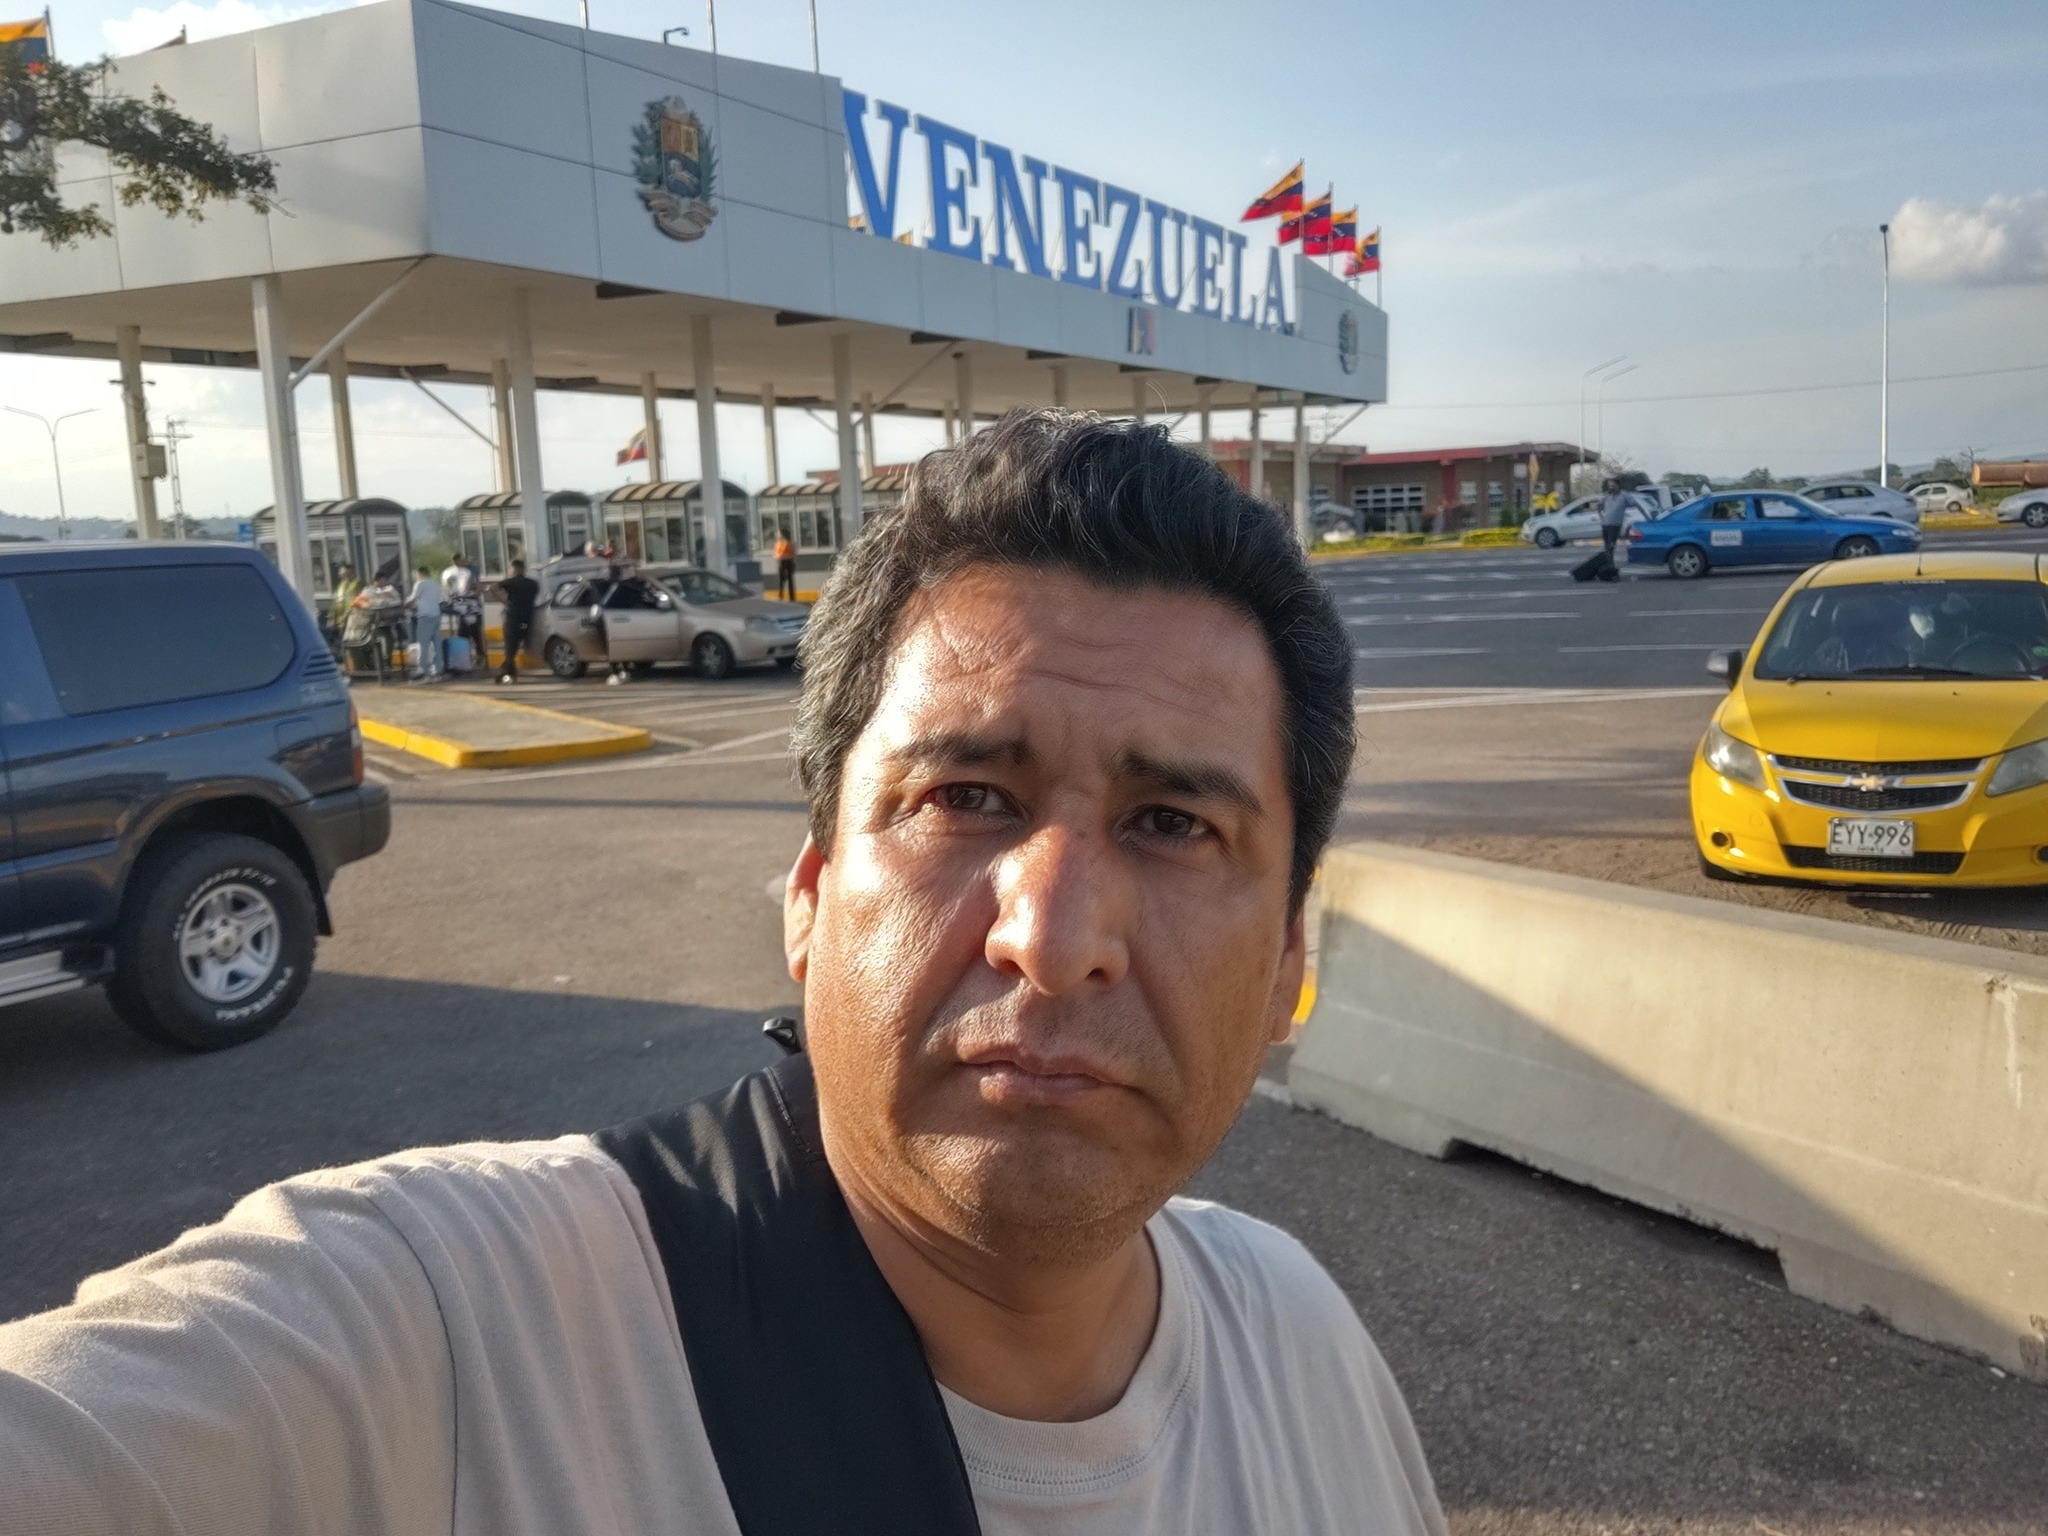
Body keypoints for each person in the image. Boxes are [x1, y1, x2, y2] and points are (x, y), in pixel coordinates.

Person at [0, 411, 1445, 1535]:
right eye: (966, 800)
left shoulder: (1298, 1337)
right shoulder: (434, 1336)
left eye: (1175, 825)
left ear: (1287, 967)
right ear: (809, 901)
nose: (1053, 936)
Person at [495, 557, 538, 684]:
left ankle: (507, 673)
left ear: (515, 569)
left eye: (511, 568)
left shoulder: (511, 582)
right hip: (527, 617)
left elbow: (494, 588)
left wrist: (504, 601)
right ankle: (508, 670)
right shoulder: (533, 583)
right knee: (517, 645)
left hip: (513, 616)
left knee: (510, 646)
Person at [441, 551, 482, 668]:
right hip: (462, 606)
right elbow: (448, 589)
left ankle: (478, 655)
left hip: (471, 606)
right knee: (464, 633)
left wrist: (470, 595)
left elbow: (477, 588)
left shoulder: (471, 570)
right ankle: (464, 659)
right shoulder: (451, 572)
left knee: (474, 632)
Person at [1596, 476, 1638, 582]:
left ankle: (1611, 570)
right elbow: (1599, 506)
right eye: (1609, 485)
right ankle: (1609, 569)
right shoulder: (1606, 496)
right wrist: (1601, 517)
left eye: (1612, 485)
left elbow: (1635, 504)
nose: (1611, 487)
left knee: (1611, 547)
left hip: (1615, 525)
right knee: (1607, 548)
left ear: (1617, 485)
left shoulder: (1624, 495)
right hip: (1606, 525)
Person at [408, 562, 444, 681]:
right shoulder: (435, 583)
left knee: (423, 644)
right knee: (436, 642)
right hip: (436, 614)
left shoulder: (420, 583)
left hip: (425, 616)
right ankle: (437, 669)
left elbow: (412, 599)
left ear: (420, 573)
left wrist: (405, 605)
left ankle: (423, 670)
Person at [773, 527, 798, 601]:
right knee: (781, 580)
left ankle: (791, 597)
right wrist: (781, 556)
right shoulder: (778, 544)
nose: (777, 535)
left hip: (788, 562)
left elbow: (793, 554)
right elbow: (776, 554)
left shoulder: (789, 544)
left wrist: (784, 556)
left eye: (779, 533)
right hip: (782, 563)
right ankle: (780, 596)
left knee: (790, 580)